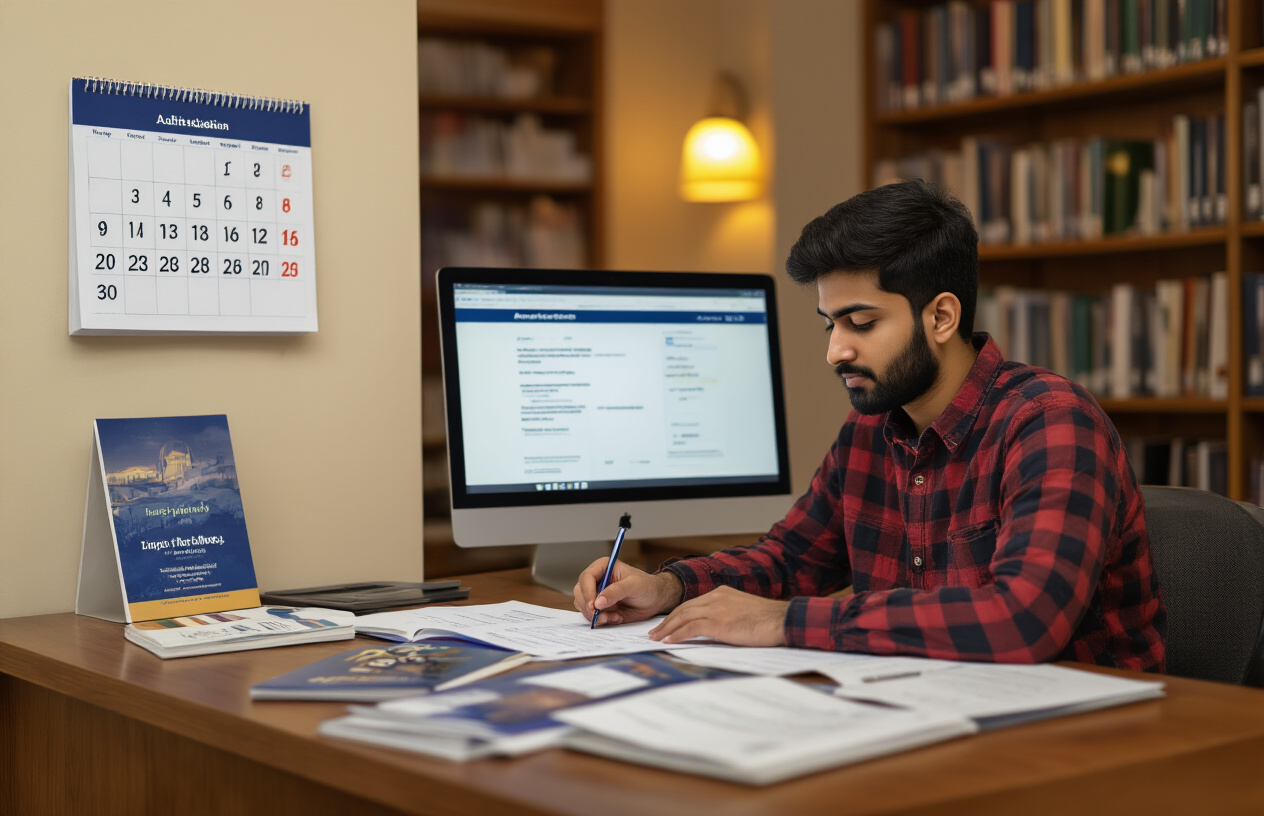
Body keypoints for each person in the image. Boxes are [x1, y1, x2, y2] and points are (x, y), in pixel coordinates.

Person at [573, 179, 1166, 672]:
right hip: (920, 707)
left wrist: (787, 621)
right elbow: (790, 559)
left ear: (940, 316)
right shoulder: (872, 430)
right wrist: (669, 585)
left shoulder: (1050, 422)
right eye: (829, 324)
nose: (835, 351)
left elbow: (1023, 621)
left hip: (1084, 737)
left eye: (860, 322)